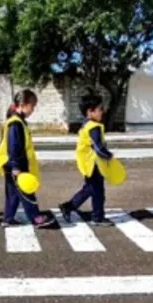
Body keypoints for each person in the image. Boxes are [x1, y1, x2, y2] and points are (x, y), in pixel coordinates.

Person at [0, 89, 54, 228]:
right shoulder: (15, 123)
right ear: (23, 104)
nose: (33, 110)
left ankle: (8, 218)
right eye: (32, 106)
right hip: (16, 164)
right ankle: (36, 218)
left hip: (9, 163)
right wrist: (16, 166)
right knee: (27, 192)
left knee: (13, 193)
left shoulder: (16, 121)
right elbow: (14, 146)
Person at [59, 93, 115, 226]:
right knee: (97, 192)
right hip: (92, 164)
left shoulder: (86, 124)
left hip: (88, 163)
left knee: (90, 189)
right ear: (90, 111)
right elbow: (98, 148)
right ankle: (97, 217)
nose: (103, 111)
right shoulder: (93, 127)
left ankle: (68, 207)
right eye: (100, 109)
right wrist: (109, 155)